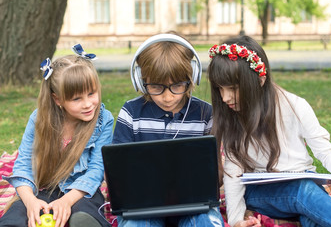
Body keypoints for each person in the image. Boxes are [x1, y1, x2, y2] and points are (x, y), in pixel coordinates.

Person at [207, 35, 331, 227]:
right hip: (260, 192)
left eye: (233, 88)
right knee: (302, 191)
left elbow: (324, 150)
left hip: (303, 182)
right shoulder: (231, 117)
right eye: (220, 89)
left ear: (260, 80)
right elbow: (233, 174)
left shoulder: (295, 106)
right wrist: (237, 219)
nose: (225, 97)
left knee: (310, 217)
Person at [112, 33, 224, 227]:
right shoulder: (130, 113)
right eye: (156, 87)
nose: (167, 97)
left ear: (192, 76)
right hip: (142, 204)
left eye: (177, 85)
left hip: (194, 203)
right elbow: (116, 172)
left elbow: (215, 175)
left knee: (206, 222)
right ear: (141, 80)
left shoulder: (205, 113)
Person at [0, 45, 114, 227]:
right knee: (16, 216)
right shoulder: (39, 119)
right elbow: (23, 166)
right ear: (57, 99)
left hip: (81, 190)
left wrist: (66, 201)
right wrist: (30, 202)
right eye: (77, 99)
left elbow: (96, 171)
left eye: (91, 93)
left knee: (85, 214)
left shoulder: (103, 120)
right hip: (44, 187)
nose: (88, 104)